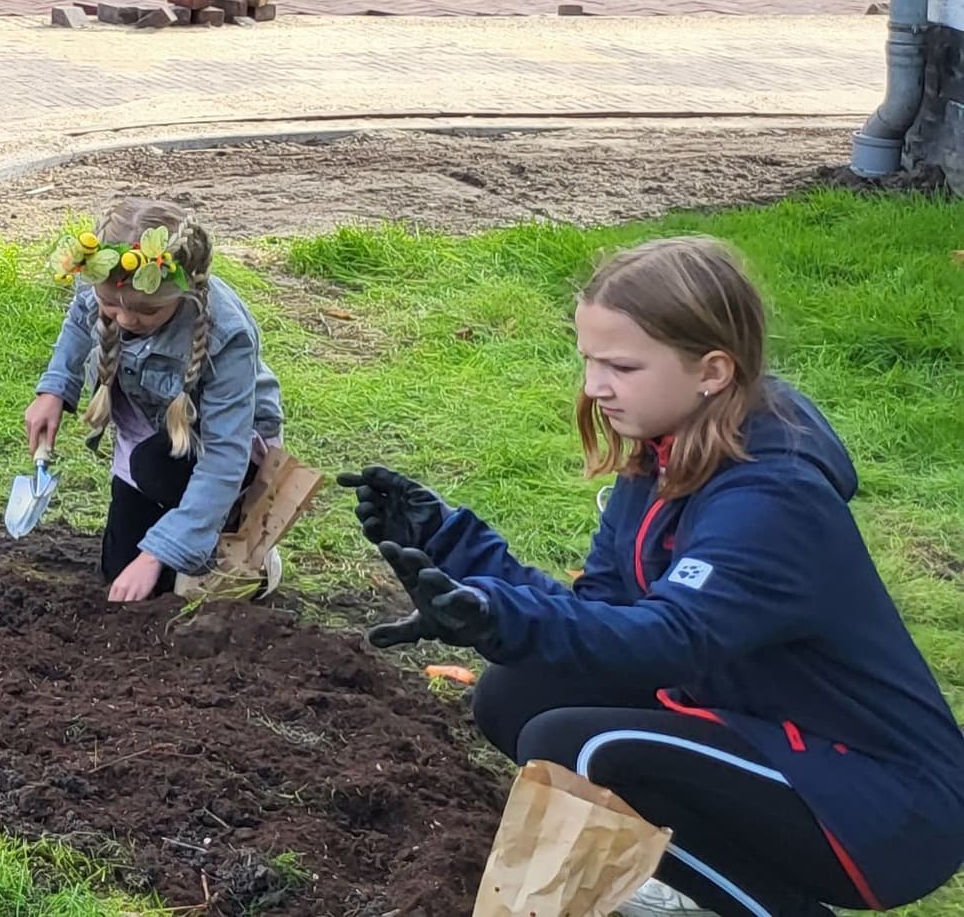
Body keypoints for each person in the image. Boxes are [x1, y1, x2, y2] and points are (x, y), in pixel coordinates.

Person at [350, 237, 964, 917]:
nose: (594, 387)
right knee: (518, 693)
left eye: (621, 366)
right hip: (767, 732)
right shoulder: (664, 454)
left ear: (712, 371)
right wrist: (450, 544)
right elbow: (602, 614)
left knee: (580, 748)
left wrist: (501, 616)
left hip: (883, 802)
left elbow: (670, 639)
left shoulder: (776, 497)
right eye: (588, 359)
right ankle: (713, 886)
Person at [24, 200, 287, 602]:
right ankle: (180, 527)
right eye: (110, 306)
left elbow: (224, 456)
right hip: (150, 433)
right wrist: (54, 390)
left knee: (179, 576)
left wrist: (156, 554)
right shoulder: (107, 277)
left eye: (147, 311)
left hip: (220, 448)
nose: (126, 320)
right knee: (120, 574)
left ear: (185, 290)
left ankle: (238, 533)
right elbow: (80, 319)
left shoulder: (227, 335)